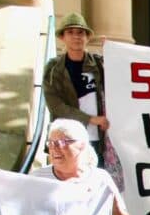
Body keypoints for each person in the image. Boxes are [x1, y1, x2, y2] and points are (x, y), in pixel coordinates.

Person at [43, 13, 107, 161]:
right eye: (70, 32)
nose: (76, 37)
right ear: (62, 37)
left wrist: (112, 53)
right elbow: (56, 106)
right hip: (67, 140)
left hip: (98, 138)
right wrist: (91, 119)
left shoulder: (98, 64)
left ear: (87, 37)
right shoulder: (54, 68)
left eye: (80, 32)